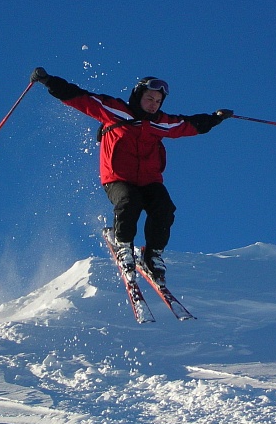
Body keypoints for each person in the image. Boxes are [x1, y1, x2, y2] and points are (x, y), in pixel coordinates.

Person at [31, 66, 232, 284]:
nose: (153, 104)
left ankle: (152, 254)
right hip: (117, 177)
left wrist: (215, 118)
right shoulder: (116, 111)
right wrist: (48, 81)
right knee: (129, 201)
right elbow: (80, 98)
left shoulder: (159, 122)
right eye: (149, 98)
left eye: (157, 101)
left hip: (148, 179)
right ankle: (123, 245)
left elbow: (187, 125)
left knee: (164, 207)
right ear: (138, 96)